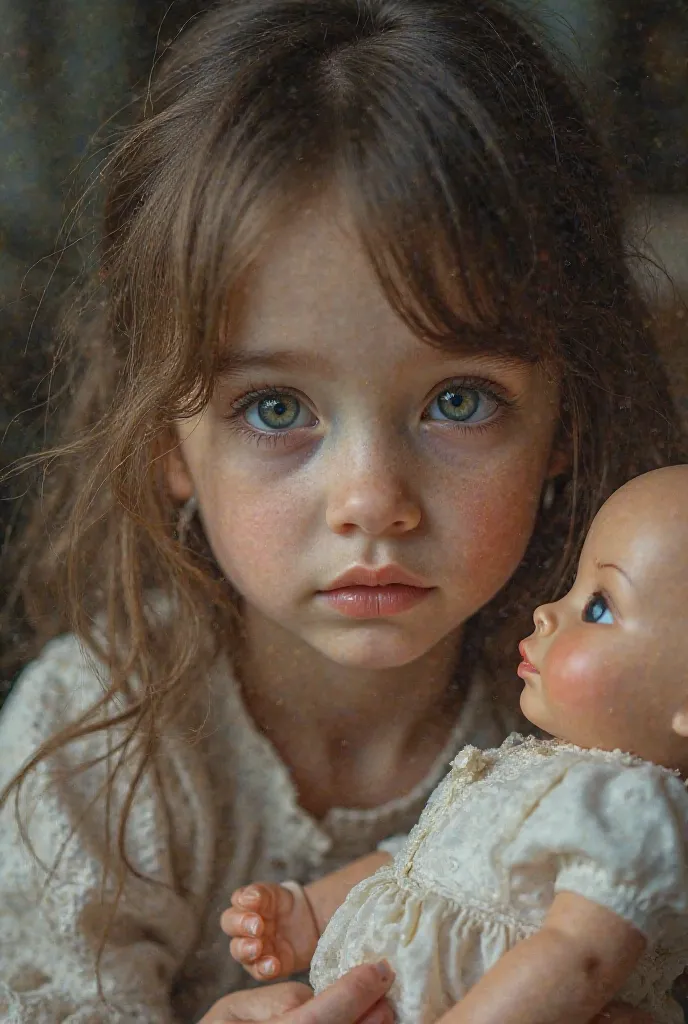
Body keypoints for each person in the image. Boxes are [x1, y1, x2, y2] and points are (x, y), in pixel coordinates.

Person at [0, 0, 682, 1021]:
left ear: (562, 427)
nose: (373, 502)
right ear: (164, 442)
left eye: (458, 400)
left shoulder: (606, 722)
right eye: (276, 408)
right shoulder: (99, 742)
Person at [227, 466, 688, 1024]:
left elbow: (579, 959)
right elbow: (419, 855)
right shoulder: (532, 766)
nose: (547, 612)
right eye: (572, 588)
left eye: (598, 607)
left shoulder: (631, 807)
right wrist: (312, 911)